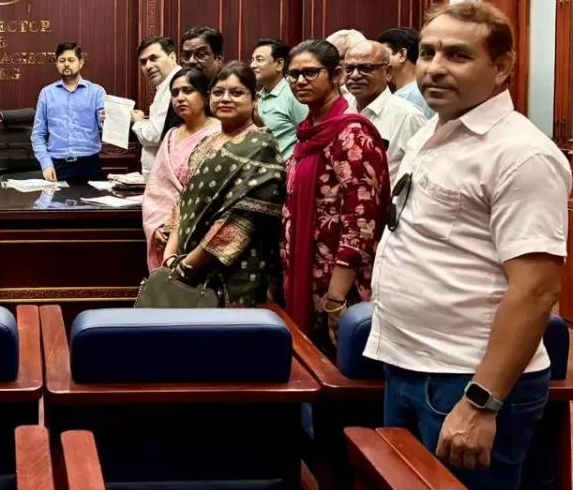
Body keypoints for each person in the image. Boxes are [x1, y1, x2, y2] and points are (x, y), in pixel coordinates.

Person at [366, 2, 570, 490]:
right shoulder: (434, 131)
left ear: (501, 67)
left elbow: (536, 291)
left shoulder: (521, 154)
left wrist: (482, 402)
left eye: (458, 55)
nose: (435, 68)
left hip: (466, 380)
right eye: (428, 52)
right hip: (409, 362)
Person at [281, 39, 389, 351]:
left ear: (336, 75)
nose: (300, 81)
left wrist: (336, 297)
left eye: (311, 73)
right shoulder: (308, 132)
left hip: (339, 286)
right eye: (293, 74)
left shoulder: (351, 134)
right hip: (305, 274)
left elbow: (361, 223)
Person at [163, 62, 287, 306]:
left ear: (254, 99)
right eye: (218, 92)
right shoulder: (207, 142)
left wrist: (189, 264)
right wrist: (170, 254)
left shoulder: (261, 147)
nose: (225, 99)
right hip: (185, 264)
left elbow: (242, 220)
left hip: (236, 270)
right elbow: (186, 199)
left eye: (236, 92)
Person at [140, 66, 220, 271]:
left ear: (205, 96)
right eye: (175, 93)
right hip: (166, 231)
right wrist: (158, 225)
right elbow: (156, 189)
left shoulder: (221, 133)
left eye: (188, 90)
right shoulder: (171, 136)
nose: (180, 98)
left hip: (204, 229)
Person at [343, 40, 427, 180]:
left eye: (366, 68)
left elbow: (422, 170)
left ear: (388, 72)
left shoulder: (408, 116)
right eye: (349, 68)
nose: (355, 75)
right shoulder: (341, 108)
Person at [31, 42, 107, 183]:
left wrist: (110, 119)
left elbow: (105, 124)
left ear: (81, 63)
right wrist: (46, 164)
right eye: (62, 60)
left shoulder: (97, 92)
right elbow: (37, 134)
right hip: (57, 167)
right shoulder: (47, 93)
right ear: (56, 63)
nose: (66, 64)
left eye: (71, 60)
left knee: (91, 199)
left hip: (89, 165)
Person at [250, 38, 308, 161]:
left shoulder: (293, 95)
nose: (252, 65)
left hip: (285, 169)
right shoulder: (258, 97)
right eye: (252, 60)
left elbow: (308, 136)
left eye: (259, 60)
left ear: (279, 64)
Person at [131, 35, 179, 173]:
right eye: (143, 62)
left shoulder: (176, 85)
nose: (148, 66)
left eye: (154, 58)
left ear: (172, 57)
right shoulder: (164, 85)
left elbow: (156, 135)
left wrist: (138, 121)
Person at [378, 26, 434, 118]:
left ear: (402, 55)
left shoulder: (413, 96)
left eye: (384, 55)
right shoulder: (424, 90)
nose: (377, 62)